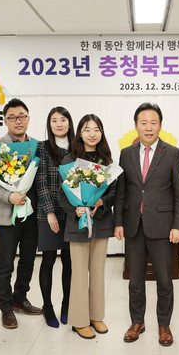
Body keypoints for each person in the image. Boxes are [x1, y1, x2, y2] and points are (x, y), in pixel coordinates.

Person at [114, 102, 179, 346]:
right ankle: (137, 322)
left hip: (163, 226)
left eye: (153, 123)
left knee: (164, 280)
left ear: (160, 126)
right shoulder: (126, 153)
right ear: (135, 125)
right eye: (143, 123)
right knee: (135, 280)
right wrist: (118, 222)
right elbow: (121, 192)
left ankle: (164, 325)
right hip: (133, 226)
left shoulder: (173, 153)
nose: (148, 127)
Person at [0, 98, 43, 330]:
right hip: (7, 213)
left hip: (32, 215)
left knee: (28, 260)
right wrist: (9, 196)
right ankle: (6, 307)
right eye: (12, 117)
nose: (18, 121)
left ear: (28, 119)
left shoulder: (38, 146)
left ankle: (20, 298)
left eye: (22, 116)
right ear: (5, 121)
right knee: (5, 263)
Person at [58, 114, 115, 339]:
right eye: (87, 129)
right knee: (80, 274)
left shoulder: (106, 160)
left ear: (101, 133)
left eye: (96, 129)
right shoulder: (69, 160)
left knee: (98, 272)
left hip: (101, 222)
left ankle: (96, 316)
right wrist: (76, 210)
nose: (92, 134)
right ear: (79, 133)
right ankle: (79, 320)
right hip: (78, 225)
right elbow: (61, 195)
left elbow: (114, 191)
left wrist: (101, 202)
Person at [36, 107, 74, 328]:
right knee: (48, 259)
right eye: (54, 120)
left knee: (69, 261)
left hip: (72, 212)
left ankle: (67, 305)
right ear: (49, 125)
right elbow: (40, 181)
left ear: (69, 122)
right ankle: (47, 306)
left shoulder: (77, 147)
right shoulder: (42, 147)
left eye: (63, 119)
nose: (59, 124)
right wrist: (49, 212)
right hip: (48, 212)